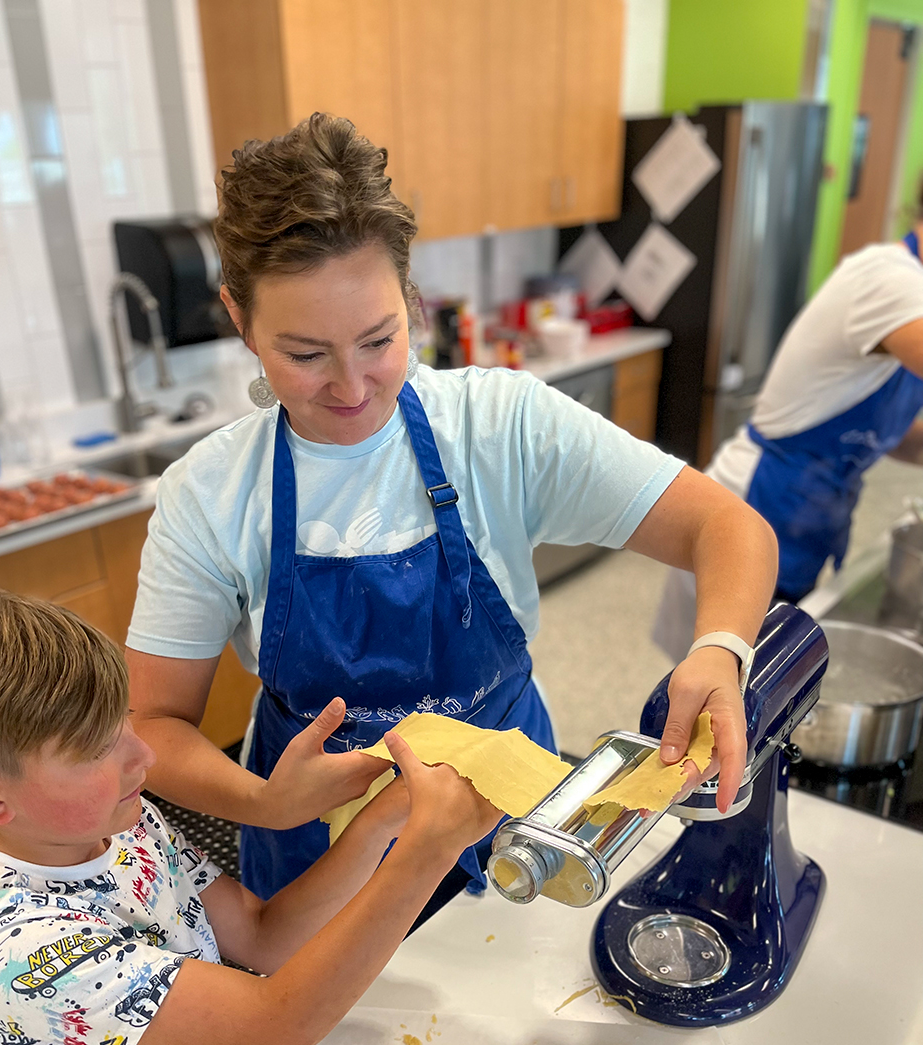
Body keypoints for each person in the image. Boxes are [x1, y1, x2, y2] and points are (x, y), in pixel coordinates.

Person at [125, 112, 777, 910]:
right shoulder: (210, 491)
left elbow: (729, 527)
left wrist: (718, 648)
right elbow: (152, 724)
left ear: (409, 294)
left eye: (378, 338)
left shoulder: (501, 424)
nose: (353, 385)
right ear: (239, 317)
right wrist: (265, 803)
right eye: (304, 354)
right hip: (317, 850)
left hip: (505, 828)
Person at [0, 588, 499, 1045]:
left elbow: (261, 935)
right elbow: (278, 1021)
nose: (142, 754)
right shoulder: (17, 954)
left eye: (123, 722)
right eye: (95, 750)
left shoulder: (124, 825)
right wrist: (428, 852)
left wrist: (382, 823)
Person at [655, 208, 923, 663]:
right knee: (718, 691)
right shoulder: (892, 282)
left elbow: (891, 434)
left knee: (756, 690)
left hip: (809, 513)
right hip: (760, 502)